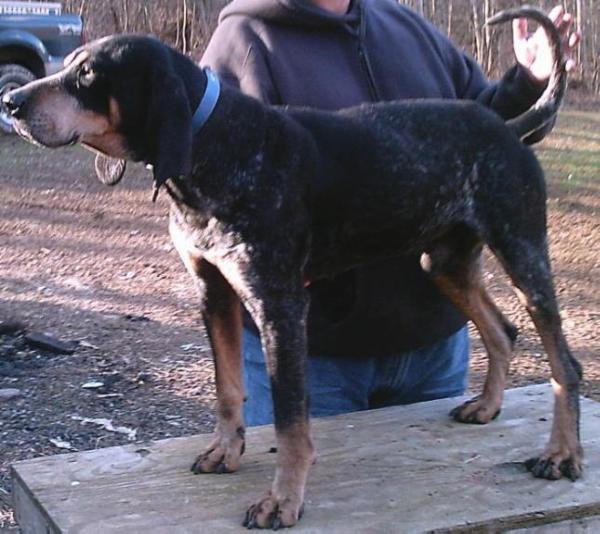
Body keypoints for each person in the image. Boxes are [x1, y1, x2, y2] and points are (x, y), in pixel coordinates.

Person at [201, 0, 580, 426]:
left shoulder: (405, 25)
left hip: (433, 352)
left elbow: (481, 137)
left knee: (434, 492)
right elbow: (217, 188)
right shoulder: (242, 42)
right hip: (313, 363)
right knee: (304, 492)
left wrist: (531, 79)